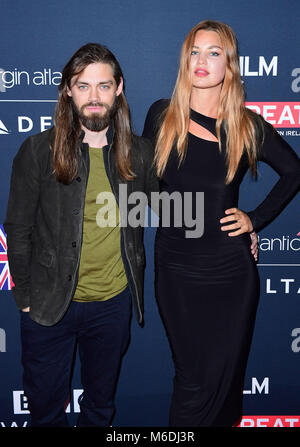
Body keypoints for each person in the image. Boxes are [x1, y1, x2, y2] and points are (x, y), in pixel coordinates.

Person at [142, 20, 300, 427]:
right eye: (195, 51)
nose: (202, 60)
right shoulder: (162, 115)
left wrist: (255, 221)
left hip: (231, 274)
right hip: (176, 268)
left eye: (214, 53)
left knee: (227, 383)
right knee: (191, 380)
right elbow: (146, 192)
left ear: (228, 65)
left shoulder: (246, 126)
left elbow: (294, 172)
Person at [4, 43, 157, 427]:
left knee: (99, 409)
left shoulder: (139, 153)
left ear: (118, 88)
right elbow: (17, 229)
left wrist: (241, 226)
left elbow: (180, 207)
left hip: (111, 305)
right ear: (68, 90)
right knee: (45, 413)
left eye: (103, 86)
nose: (94, 97)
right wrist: (25, 299)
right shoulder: (38, 150)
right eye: (83, 86)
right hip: (48, 305)